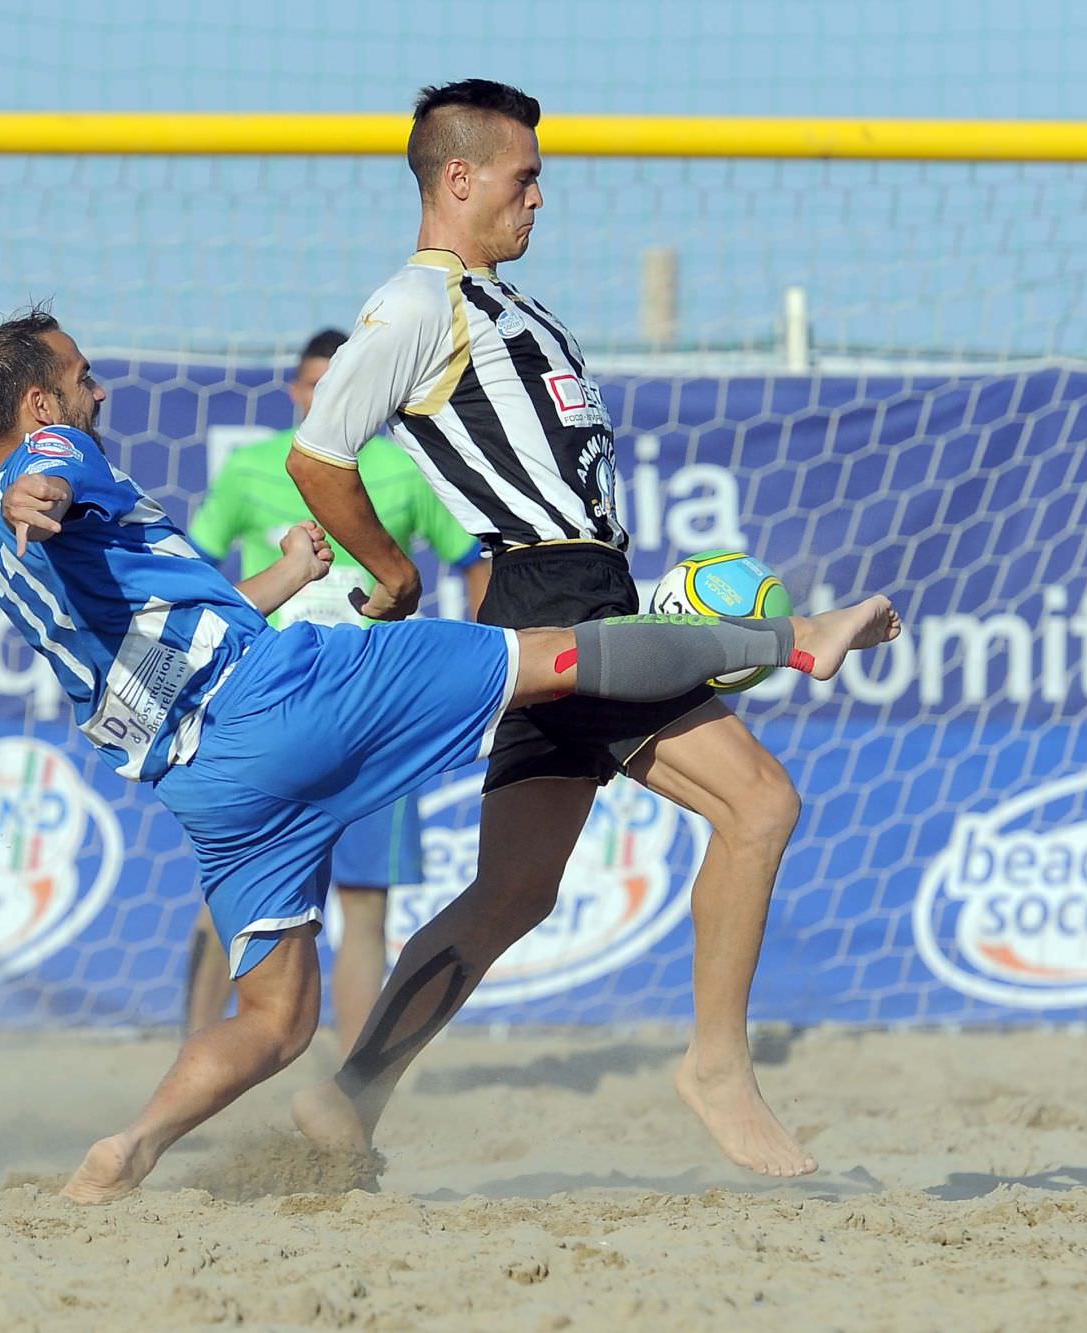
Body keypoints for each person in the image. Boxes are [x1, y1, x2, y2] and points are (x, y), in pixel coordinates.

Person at [0, 308, 900, 1201]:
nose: (101, 392)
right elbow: (44, 475)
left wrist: (288, 572)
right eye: (84, 378)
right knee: (559, 656)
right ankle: (799, 639)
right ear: (40, 405)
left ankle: (129, 1146)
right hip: (281, 698)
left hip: (207, 781)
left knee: (279, 1020)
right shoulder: (53, 459)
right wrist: (37, 491)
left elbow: (161, 622)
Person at [283, 79, 833, 1179]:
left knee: (515, 891)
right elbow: (318, 454)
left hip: (581, 593)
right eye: (524, 176)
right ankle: (716, 1066)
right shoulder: (414, 303)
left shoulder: (513, 307)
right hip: (553, 604)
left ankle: (348, 1101)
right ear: (458, 178)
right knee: (759, 803)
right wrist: (389, 569)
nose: (540, 198)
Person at [181, 328, 489, 1050]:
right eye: (311, 385)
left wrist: (483, 640)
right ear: (294, 390)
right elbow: (194, 573)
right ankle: (192, 1049)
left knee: (365, 907)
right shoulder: (253, 469)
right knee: (224, 901)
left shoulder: (405, 471)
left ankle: (351, 1079)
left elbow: (471, 558)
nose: (321, 398)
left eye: (336, 384)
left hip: (375, 711)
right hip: (270, 706)